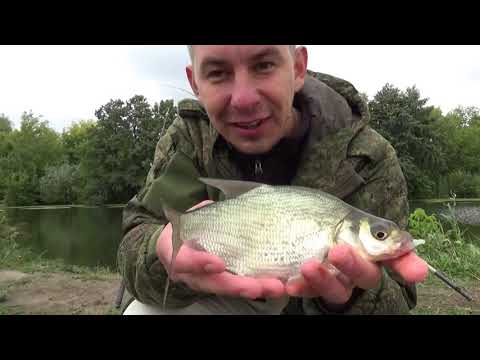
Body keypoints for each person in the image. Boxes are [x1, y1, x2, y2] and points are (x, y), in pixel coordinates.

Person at [117, 45, 428, 315]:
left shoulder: (368, 156)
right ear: (194, 82)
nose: (243, 99)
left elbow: (400, 301)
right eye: (217, 72)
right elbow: (134, 241)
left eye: (263, 65)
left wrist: (349, 300)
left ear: (297, 67)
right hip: (224, 301)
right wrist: (161, 254)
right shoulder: (188, 138)